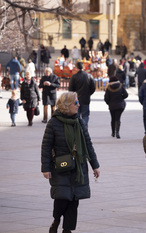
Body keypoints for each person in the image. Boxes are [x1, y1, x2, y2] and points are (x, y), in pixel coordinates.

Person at [41, 92, 100, 233]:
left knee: (74, 200)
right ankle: (56, 220)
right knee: (62, 198)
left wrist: (95, 165)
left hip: (78, 167)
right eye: (76, 102)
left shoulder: (79, 122)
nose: (78, 105)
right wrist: (45, 168)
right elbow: (46, 146)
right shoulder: (53, 123)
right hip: (60, 167)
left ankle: (67, 229)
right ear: (67, 106)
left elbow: (88, 143)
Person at [68, 62, 96, 128]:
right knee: (85, 115)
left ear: (76, 68)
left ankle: (78, 129)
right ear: (83, 67)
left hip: (76, 99)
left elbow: (70, 89)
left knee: (76, 115)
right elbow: (93, 88)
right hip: (86, 99)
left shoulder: (74, 77)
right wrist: (88, 94)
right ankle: (84, 128)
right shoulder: (89, 76)